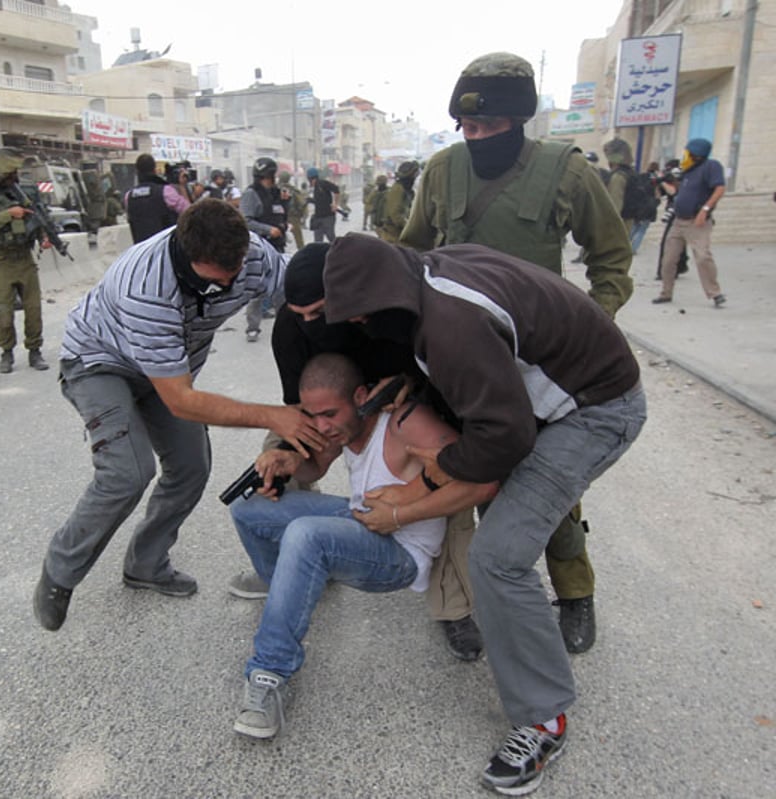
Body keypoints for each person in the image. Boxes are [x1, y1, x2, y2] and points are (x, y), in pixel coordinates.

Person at [323, 234, 646, 796]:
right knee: (503, 534)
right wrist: (419, 382)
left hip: (596, 411)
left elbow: (503, 439)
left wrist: (427, 474)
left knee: (497, 558)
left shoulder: (450, 327)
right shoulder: (430, 272)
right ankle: (527, 634)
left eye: (361, 317)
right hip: (568, 394)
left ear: (382, 302)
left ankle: (545, 719)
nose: (360, 328)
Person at [401, 51, 635, 655]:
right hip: (460, 360)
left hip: (542, 367)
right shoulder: (443, 171)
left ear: (516, 121)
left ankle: (576, 594)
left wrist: (590, 329)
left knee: (549, 488)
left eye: (484, 128)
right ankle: (458, 602)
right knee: (450, 474)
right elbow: (408, 253)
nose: (471, 138)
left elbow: (611, 258)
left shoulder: (566, 171)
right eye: (464, 128)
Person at [31, 199, 327, 632]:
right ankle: (60, 572)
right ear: (187, 256)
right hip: (100, 361)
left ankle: (145, 564)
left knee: (191, 466)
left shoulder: (253, 258)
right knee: (127, 472)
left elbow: (302, 299)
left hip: (167, 369)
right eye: (215, 278)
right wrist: (274, 416)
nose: (228, 285)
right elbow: (181, 400)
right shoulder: (146, 285)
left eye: (236, 271)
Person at [231, 244, 483, 661]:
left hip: (405, 401)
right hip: (329, 405)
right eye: (299, 314)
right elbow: (299, 412)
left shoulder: (386, 312)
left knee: (449, 490)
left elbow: (433, 373)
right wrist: (286, 454)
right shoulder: (291, 329)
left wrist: (408, 385)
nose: (309, 323)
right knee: (270, 482)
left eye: (317, 311)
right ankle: (294, 569)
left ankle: (452, 607)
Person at [230, 353, 497, 740]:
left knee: (306, 535)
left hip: (401, 552)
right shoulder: (344, 426)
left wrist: (401, 515)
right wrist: (287, 461)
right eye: (312, 415)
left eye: (329, 414)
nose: (321, 425)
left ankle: (269, 673)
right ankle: (291, 586)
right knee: (247, 507)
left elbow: (479, 481)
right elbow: (314, 468)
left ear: (359, 396)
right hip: (359, 519)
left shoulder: (407, 422)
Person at [0, 147, 51, 374]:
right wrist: (9, 214)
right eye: (12, 170)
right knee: (4, 314)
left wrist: (43, 235)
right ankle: (7, 353)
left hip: (24, 258)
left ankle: (35, 350)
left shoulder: (19, 193)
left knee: (33, 309)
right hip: (2, 262)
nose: (16, 174)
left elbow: (33, 216)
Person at [653, 137, 726, 308]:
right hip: (678, 221)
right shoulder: (688, 170)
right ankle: (666, 292)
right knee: (669, 259)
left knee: (702, 256)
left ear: (697, 154)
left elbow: (720, 188)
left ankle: (715, 293)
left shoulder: (711, 167)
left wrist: (705, 210)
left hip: (697, 222)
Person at [240, 157, 289, 343]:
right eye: (269, 177)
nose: (271, 180)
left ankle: (285, 326)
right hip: (259, 248)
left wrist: (285, 214)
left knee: (281, 287)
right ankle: (252, 327)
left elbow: (281, 213)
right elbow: (246, 221)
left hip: (278, 247)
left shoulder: (277, 193)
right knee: (257, 289)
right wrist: (268, 230)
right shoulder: (251, 194)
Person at [125, 153, 190, 244]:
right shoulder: (166, 191)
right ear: (154, 170)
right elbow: (189, 212)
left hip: (141, 250)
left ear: (137, 171)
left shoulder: (129, 196)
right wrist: (182, 187)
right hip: (164, 248)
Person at [378, 161, 419, 241]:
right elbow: (395, 214)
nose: (415, 176)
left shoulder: (406, 189)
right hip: (393, 234)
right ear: (409, 174)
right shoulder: (398, 189)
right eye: (414, 174)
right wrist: (409, 227)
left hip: (399, 232)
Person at [306, 167, 340, 242]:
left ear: (310, 178)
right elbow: (319, 201)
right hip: (318, 217)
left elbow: (336, 190)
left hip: (328, 217)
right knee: (318, 240)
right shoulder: (314, 188)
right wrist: (309, 200)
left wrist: (335, 204)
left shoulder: (323, 183)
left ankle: (337, 252)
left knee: (331, 238)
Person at [278, 171, 308, 250]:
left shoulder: (273, 189)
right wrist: (302, 216)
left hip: (278, 218)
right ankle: (303, 256)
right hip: (293, 217)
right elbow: (302, 204)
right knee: (299, 240)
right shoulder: (294, 190)